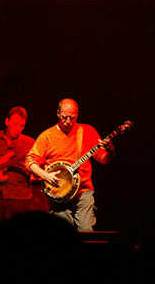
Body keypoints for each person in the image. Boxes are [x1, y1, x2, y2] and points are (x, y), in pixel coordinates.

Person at [25, 98, 114, 231]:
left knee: (86, 232)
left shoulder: (87, 131)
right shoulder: (47, 136)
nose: (68, 122)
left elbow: (104, 160)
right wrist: (45, 175)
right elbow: (30, 162)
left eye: (72, 118)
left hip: (83, 192)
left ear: (77, 115)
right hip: (58, 194)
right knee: (63, 236)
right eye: (64, 117)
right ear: (57, 114)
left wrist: (110, 150)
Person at [0, 106, 47, 222]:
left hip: (19, 197)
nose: (18, 129)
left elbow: (40, 170)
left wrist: (32, 168)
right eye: (15, 124)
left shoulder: (30, 143)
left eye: (21, 125)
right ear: (7, 122)